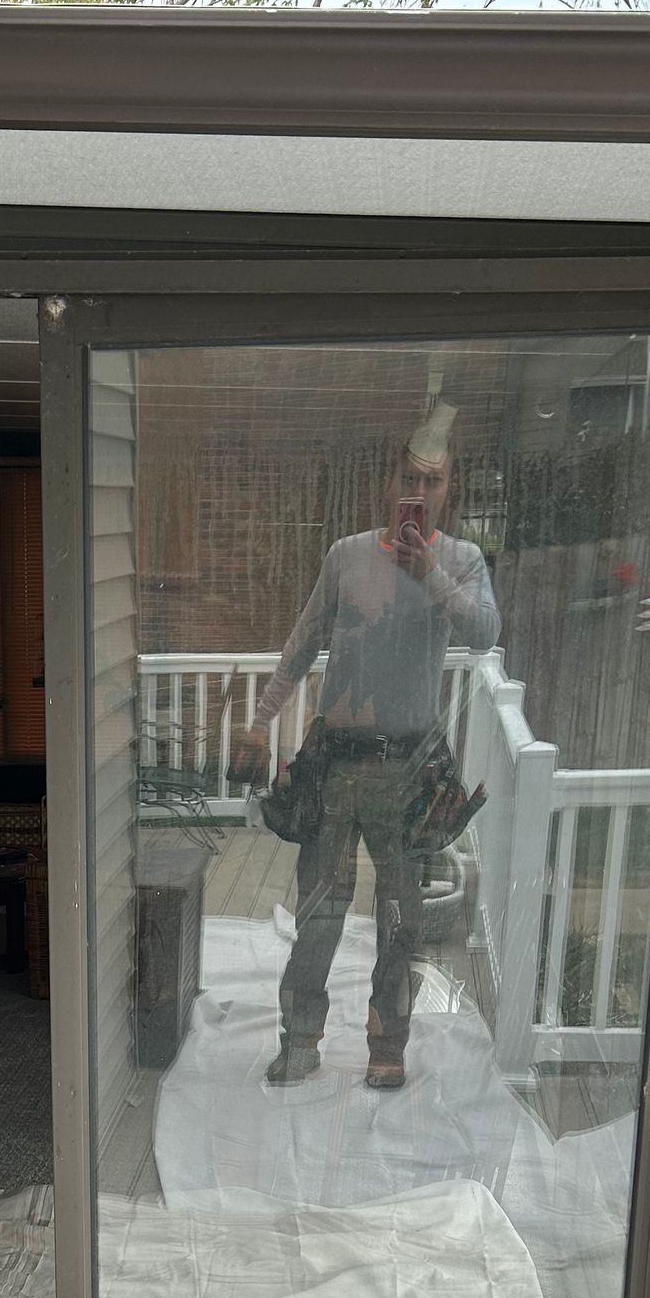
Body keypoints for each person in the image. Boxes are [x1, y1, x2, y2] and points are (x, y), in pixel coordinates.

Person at [232, 404, 499, 1090]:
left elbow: (485, 634)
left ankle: (389, 1046)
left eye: (432, 481)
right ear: (389, 482)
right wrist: (260, 725)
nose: (418, 491)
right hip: (336, 761)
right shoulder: (347, 555)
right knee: (320, 910)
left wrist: (430, 575)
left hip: (411, 766)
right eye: (408, 476)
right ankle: (301, 1039)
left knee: (401, 919)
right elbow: (303, 644)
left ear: (450, 489)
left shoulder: (463, 561)